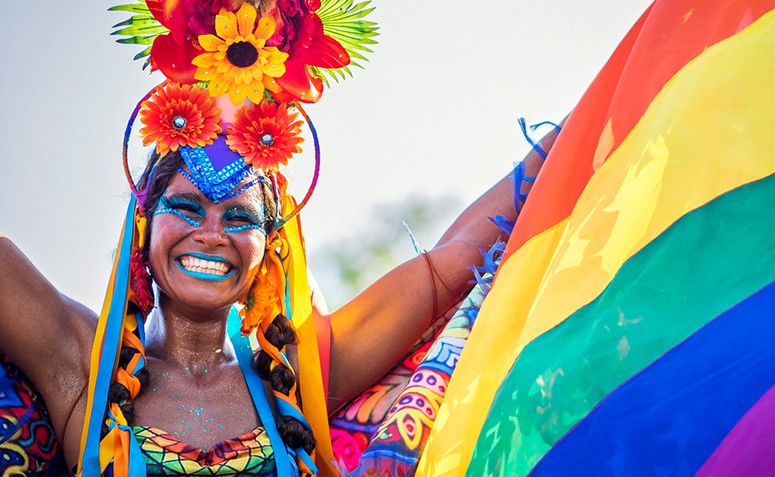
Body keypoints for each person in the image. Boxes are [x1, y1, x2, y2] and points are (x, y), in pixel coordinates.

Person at [0, 1, 558, 475]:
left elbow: (454, 260)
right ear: (143, 221)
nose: (211, 234)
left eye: (239, 218)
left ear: (270, 245)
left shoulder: (301, 374)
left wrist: (582, 133)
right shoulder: (80, 365)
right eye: (186, 207)